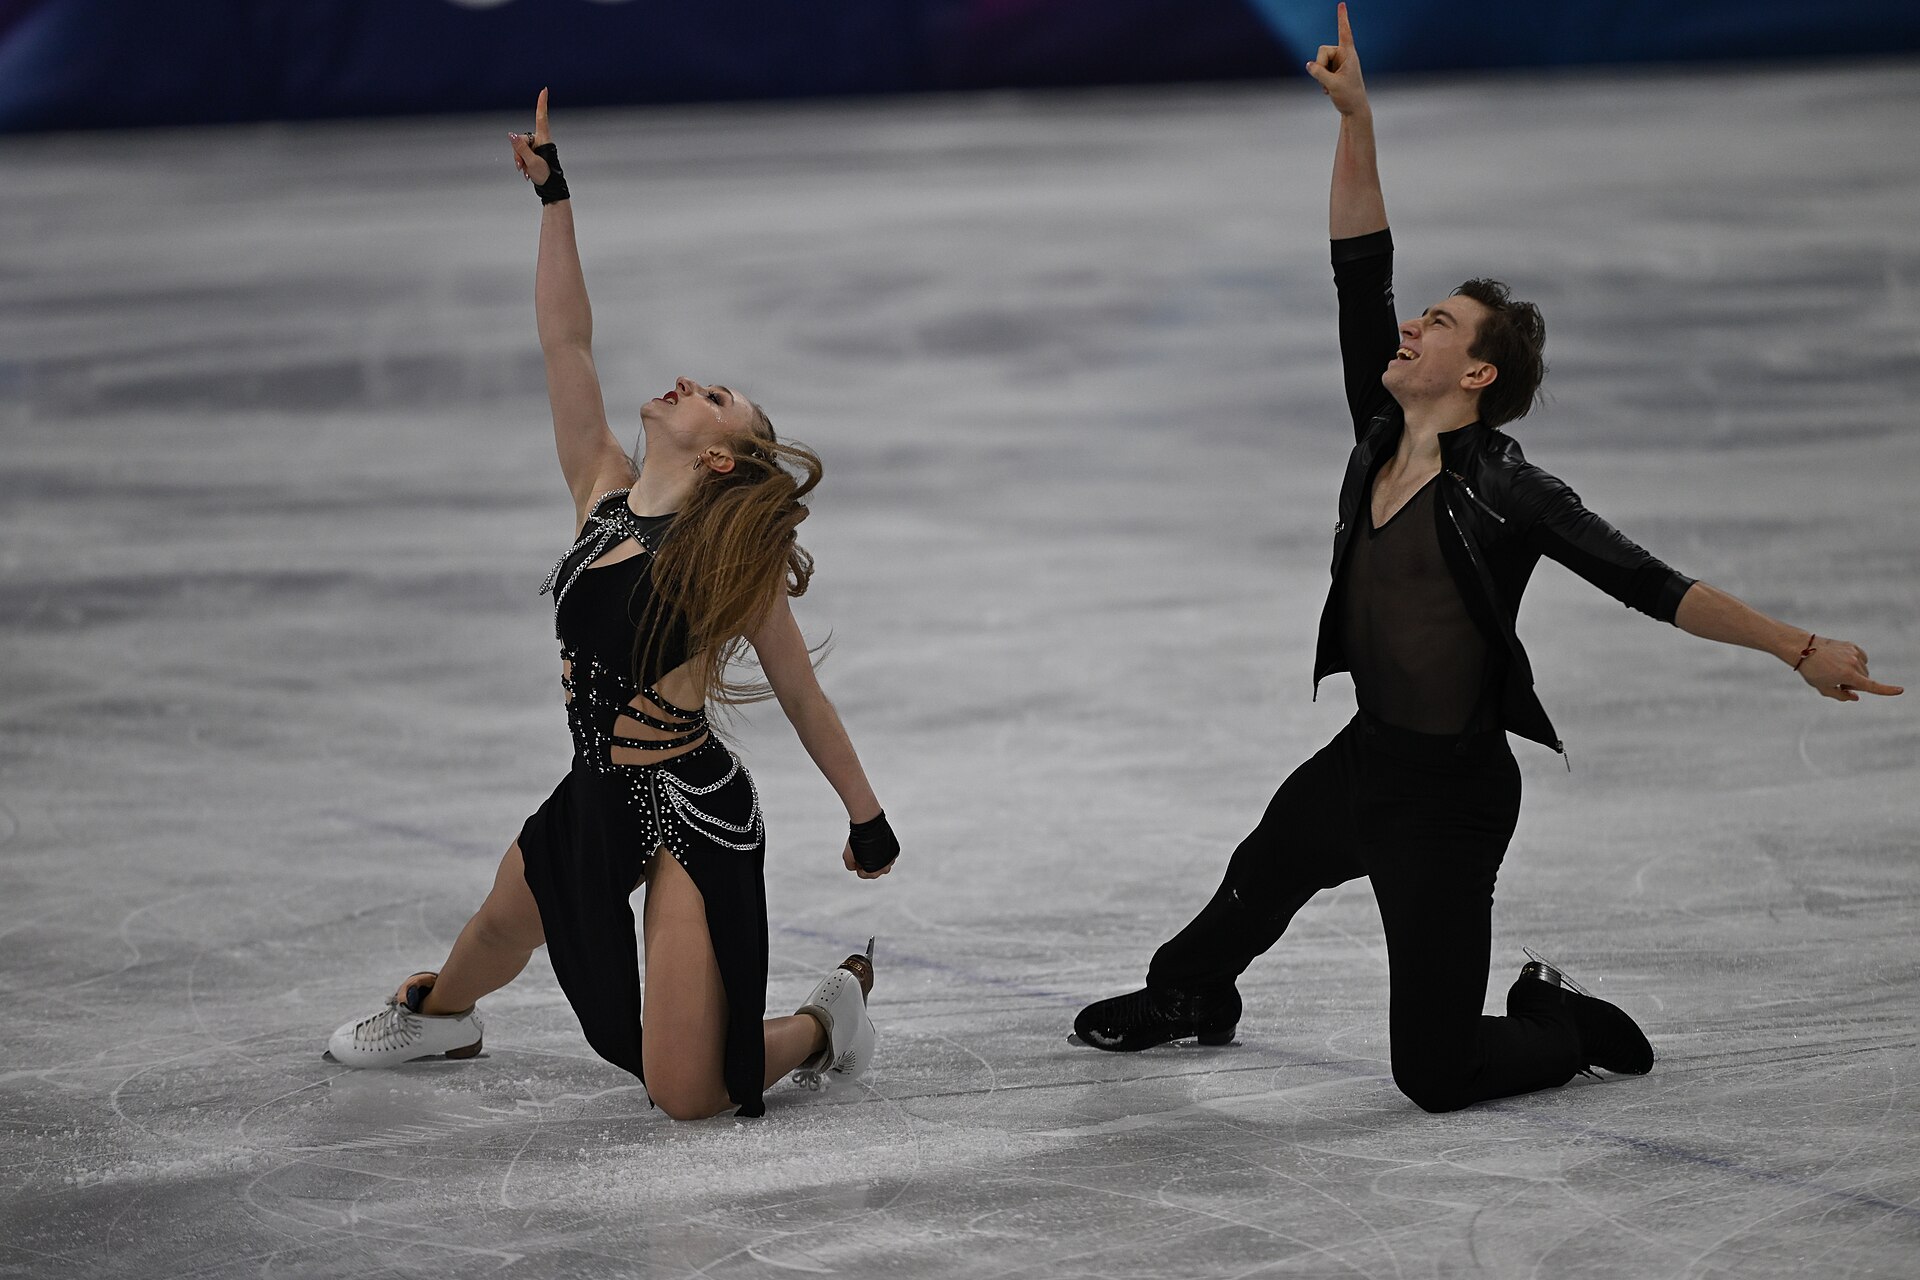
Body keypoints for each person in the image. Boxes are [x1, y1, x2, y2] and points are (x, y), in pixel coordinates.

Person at [1072, 5, 1902, 1112]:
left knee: (1438, 1071)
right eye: (1418, 319)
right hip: (1366, 757)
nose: (1409, 331)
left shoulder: (1510, 489)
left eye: (1438, 326)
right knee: (1245, 892)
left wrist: (1797, 646)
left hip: (1451, 798)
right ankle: (1191, 998)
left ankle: (1556, 1017)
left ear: (1477, 376)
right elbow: (1356, 268)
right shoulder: (1380, 427)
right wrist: (1356, 118)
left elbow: (1653, 584)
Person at [325, 90, 900, 1120]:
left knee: (685, 1089)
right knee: (505, 921)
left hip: (687, 808)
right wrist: (555, 198)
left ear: (720, 454)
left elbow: (803, 697)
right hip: (597, 789)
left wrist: (869, 818)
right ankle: (441, 1014)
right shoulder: (601, 488)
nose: (688, 382)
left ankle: (828, 1017)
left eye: (713, 394)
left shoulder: (729, 560)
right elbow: (567, 346)